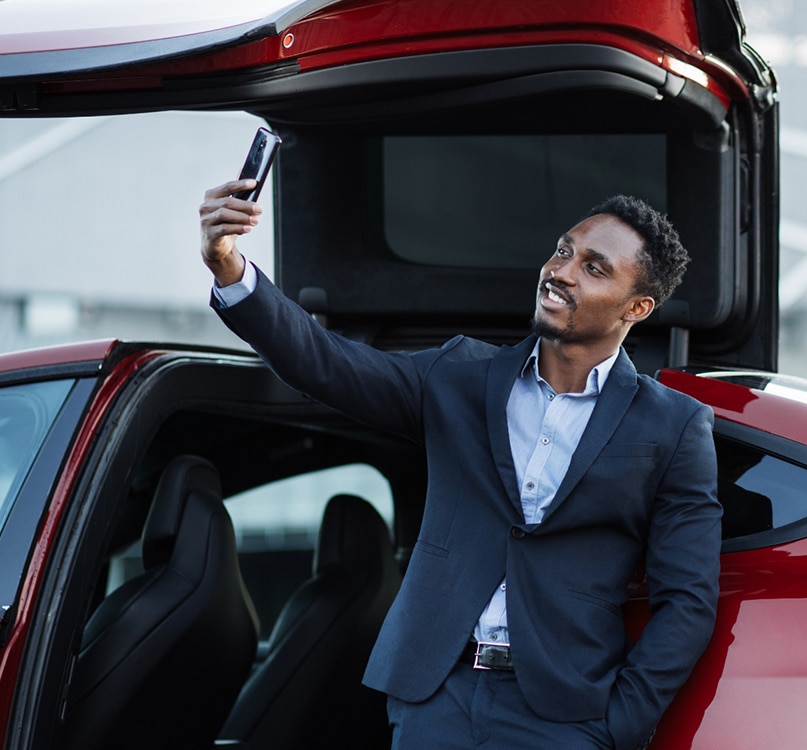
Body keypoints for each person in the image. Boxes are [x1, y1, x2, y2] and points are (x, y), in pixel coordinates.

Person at [199, 179, 722, 750]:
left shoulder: (672, 426)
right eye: (563, 251)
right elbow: (325, 362)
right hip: (436, 701)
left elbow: (687, 600)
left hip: (564, 718)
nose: (561, 272)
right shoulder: (458, 375)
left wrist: (621, 724)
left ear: (637, 307)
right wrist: (230, 268)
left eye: (594, 268)